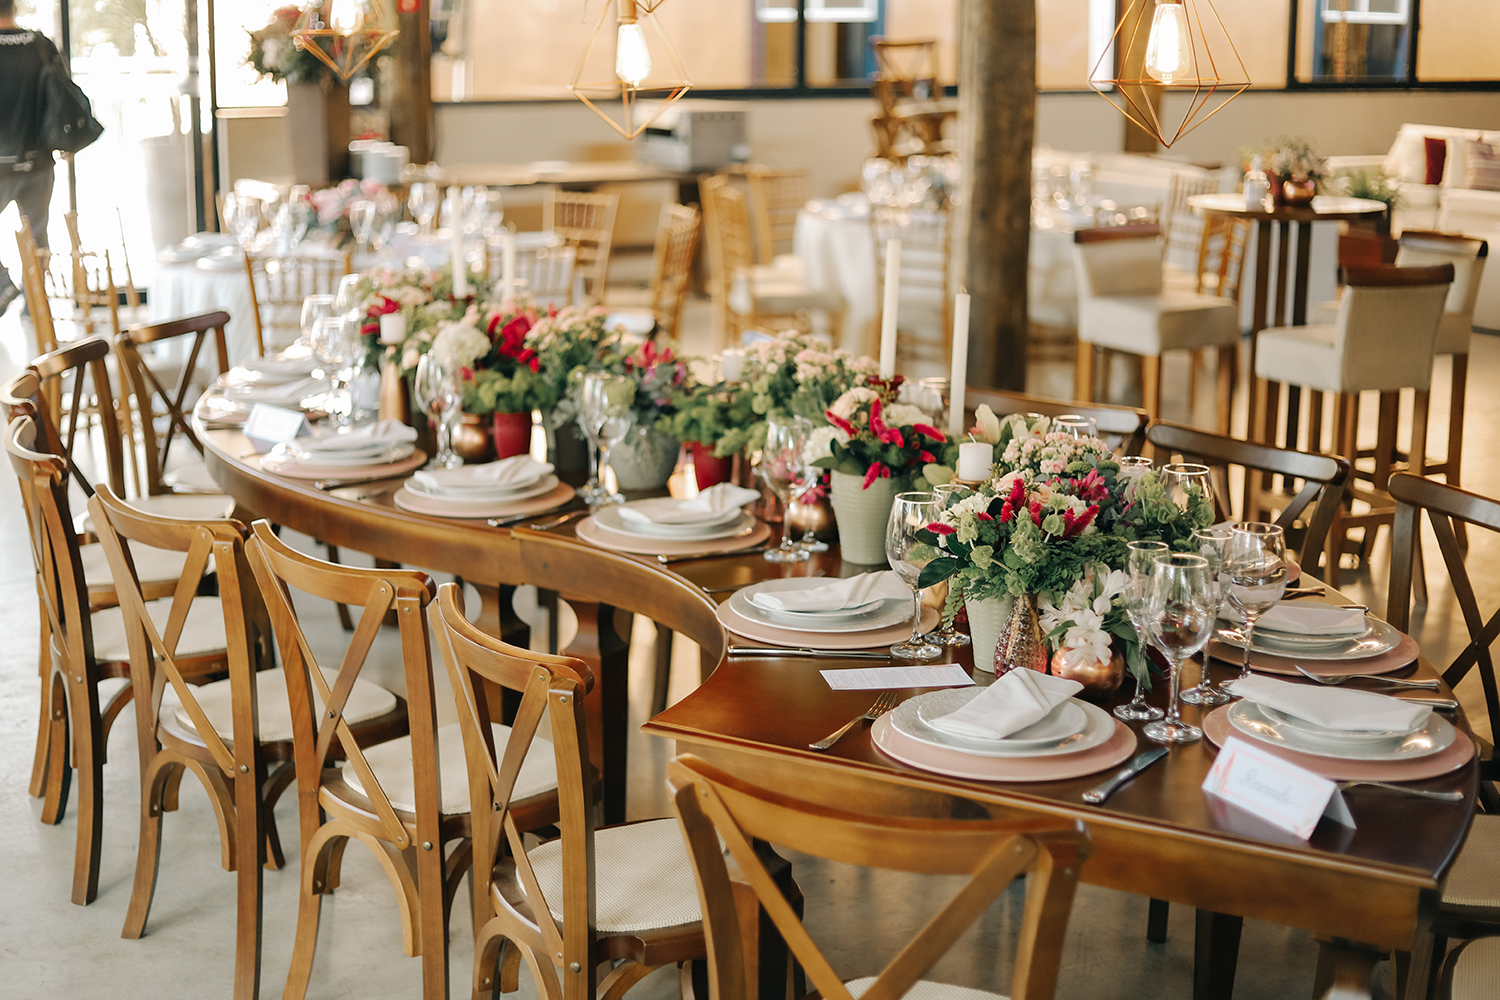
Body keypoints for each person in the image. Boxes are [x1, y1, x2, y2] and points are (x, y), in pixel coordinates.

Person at [0, 0, 60, 316]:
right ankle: (34, 306)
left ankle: (2, 287)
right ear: (14, 7)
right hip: (38, 160)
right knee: (37, 236)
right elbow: (61, 94)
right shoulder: (39, 44)